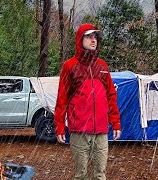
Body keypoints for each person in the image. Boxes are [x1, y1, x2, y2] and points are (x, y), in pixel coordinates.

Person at [54, 23, 121, 180]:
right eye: (89, 36)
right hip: (79, 130)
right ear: (80, 39)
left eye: (95, 37)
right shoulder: (69, 66)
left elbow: (111, 95)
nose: (93, 40)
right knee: (81, 175)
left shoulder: (103, 66)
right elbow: (62, 97)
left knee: (100, 174)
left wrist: (115, 122)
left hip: (101, 130)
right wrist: (59, 127)